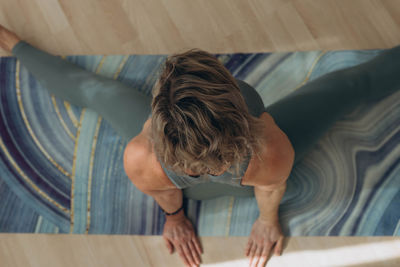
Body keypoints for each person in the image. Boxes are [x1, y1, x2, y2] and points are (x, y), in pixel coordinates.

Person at [1, 24, 399, 267]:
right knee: (347, 86)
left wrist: (179, 218)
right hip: (235, 172)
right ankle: (16, 46)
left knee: (97, 92)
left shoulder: (142, 156)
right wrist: (262, 220)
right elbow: (270, 186)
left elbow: (168, 191)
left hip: (201, 169)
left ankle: (15, 47)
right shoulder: (267, 147)